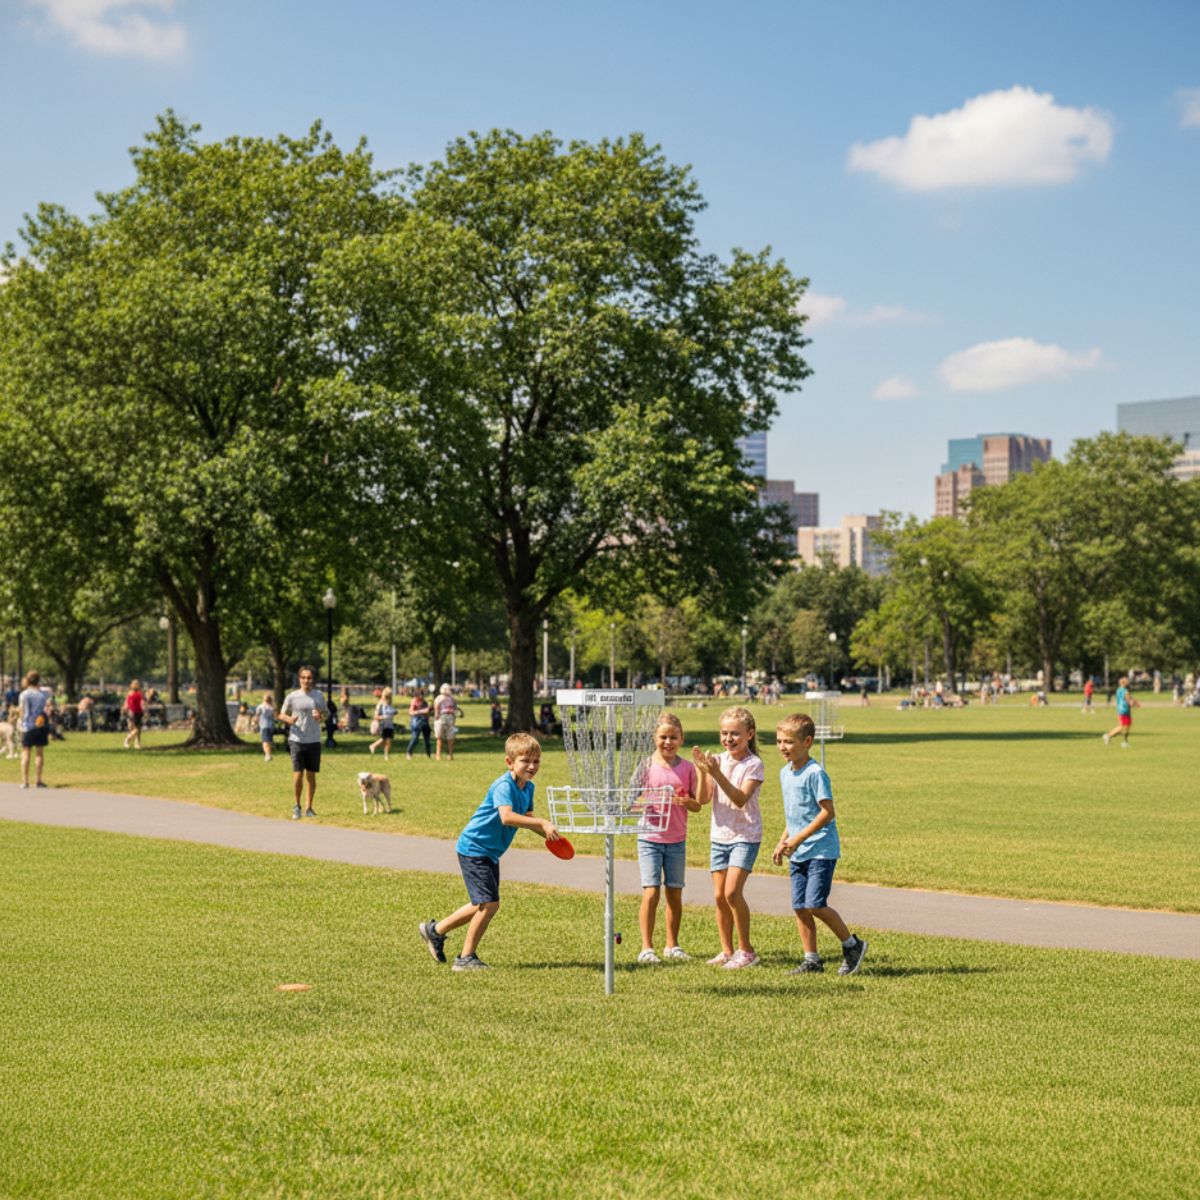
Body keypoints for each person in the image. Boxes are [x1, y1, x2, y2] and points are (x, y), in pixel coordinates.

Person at [417, 732, 560, 971]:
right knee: (490, 904)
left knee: (480, 903)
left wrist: (550, 835)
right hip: (474, 848)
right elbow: (506, 817)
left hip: (490, 852)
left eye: (536, 761)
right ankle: (465, 958)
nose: (532, 766)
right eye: (526, 761)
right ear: (509, 762)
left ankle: (435, 931)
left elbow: (526, 817)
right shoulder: (504, 785)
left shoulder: (528, 788)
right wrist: (543, 823)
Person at [771, 712, 868, 976]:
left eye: (789, 742)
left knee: (815, 903)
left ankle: (852, 945)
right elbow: (794, 815)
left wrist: (798, 838)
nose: (782, 747)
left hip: (821, 850)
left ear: (808, 742)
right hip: (798, 850)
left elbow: (827, 813)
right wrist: (783, 842)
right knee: (800, 906)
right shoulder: (784, 774)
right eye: (779, 741)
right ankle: (811, 960)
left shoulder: (815, 773)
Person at [692, 706, 764, 969]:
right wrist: (702, 772)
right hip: (719, 835)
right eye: (724, 733)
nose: (729, 739)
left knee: (733, 892)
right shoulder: (718, 761)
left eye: (735, 734)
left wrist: (716, 773)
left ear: (749, 734)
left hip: (745, 835)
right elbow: (701, 800)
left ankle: (747, 952)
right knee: (719, 896)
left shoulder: (754, 764)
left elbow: (740, 799)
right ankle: (726, 950)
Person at [636, 712, 702, 964]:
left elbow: (697, 805)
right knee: (651, 892)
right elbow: (630, 800)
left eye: (673, 737)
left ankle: (672, 945)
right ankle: (646, 947)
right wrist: (652, 800)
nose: (668, 742)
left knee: (674, 893)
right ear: (655, 738)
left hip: (676, 840)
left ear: (681, 739)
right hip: (649, 838)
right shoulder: (645, 766)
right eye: (663, 737)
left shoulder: (687, 768)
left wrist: (687, 801)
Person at [279, 666, 328, 819]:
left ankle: (309, 807)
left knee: (311, 776)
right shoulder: (292, 696)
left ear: (312, 679)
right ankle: (297, 805)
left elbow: (326, 714)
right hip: (296, 740)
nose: (306, 680)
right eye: (304, 677)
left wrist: (320, 715)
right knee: (298, 774)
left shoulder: (319, 696)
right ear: (299, 679)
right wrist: (289, 719)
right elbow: (281, 714)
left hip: (313, 740)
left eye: (309, 678)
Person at [18, 670, 50, 789]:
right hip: (40, 724)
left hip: (27, 726)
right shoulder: (42, 694)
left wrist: (20, 724)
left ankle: (25, 781)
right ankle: (38, 780)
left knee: (26, 752)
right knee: (39, 753)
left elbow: (22, 711)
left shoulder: (24, 694)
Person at [1103, 676, 1140, 748]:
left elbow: (1128, 698)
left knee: (1125, 726)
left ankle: (1123, 741)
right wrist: (1134, 704)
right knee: (1123, 727)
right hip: (1125, 710)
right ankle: (1109, 736)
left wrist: (1134, 701)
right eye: (1127, 681)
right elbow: (1129, 701)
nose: (1128, 683)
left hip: (1120, 710)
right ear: (1124, 683)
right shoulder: (1126, 691)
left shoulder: (1118, 690)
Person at [432, 684, 462, 761]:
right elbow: (436, 709)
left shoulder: (452, 699)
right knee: (439, 737)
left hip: (450, 718)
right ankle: (438, 754)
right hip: (441, 718)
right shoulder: (438, 699)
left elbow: (455, 708)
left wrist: (454, 717)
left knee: (450, 737)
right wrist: (436, 719)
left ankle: (450, 754)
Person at [369, 686, 396, 759]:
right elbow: (376, 716)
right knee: (386, 739)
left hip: (389, 724)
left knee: (387, 740)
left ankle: (386, 755)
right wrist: (384, 717)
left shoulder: (389, 703)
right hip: (383, 724)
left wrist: (394, 712)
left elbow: (391, 711)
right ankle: (373, 746)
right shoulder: (380, 704)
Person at [407, 688, 432, 759]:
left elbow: (427, 713)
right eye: (421, 695)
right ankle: (409, 752)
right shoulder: (414, 702)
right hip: (416, 721)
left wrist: (428, 715)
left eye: (423, 695)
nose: (422, 696)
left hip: (425, 722)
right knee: (415, 738)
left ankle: (429, 754)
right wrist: (422, 711)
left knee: (427, 740)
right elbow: (411, 712)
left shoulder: (425, 702)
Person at [122, 679, 145, 749]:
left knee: (136, 729)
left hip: (135, 712)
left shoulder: (134, 693)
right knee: (136, 729)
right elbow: (141, 703)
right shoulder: (137, 694)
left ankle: (137, 744)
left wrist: (124, 709)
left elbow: (126, 703)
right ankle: (127, 740)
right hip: (134, 712)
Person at [255, 692, 275, 762]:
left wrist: (254, 723)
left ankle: (267, 755)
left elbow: (257, 716)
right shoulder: (272, 707)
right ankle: (269, 754)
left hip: (264, 726)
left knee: (265, 741)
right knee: (269, 741)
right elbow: (274, 717)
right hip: (271, 726)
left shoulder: (260, 707)